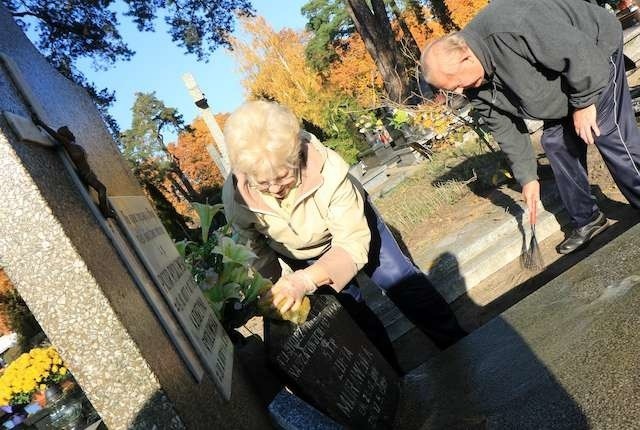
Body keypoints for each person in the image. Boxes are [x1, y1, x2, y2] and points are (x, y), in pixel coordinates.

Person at [221, 101, 466, 370]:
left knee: (402, 282)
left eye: (282, 177)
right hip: (301, 254)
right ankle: (393, 380)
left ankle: (459, 345)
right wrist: (272, 289)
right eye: (263, 184)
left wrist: (304, 280)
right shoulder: (235, 198)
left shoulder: (327, 168)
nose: (275, 188)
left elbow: (352, 242)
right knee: (352, 318)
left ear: (296, 156)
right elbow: (255, 251)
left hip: (354, 231)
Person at [421, 0, 640, 254]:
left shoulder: (513, 26)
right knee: (556, 144)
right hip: (562, 81)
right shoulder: (475, 83)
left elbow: (577, 51)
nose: (459, 91)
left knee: (606, 130)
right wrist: (527, 178)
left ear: (465, 57)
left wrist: (583, 104)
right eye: (453, 90)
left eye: (456, 83)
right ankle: (588, 219)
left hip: (594, 51)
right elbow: (505, 128)